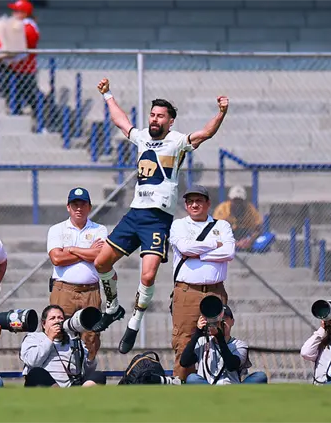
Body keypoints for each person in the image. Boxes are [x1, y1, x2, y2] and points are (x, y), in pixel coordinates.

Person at [92, 77, 230, 355]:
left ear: (170, 121)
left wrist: (221, 113)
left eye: (160, 116)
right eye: (152, 115)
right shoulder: (142, 136)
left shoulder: (177, 142)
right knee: (101, 262)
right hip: (134, 215)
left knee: (149, 273)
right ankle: (113, 307)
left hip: (157, 220)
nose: (154, 119)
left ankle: (135, 321)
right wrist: (107, 95)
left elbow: (205, 133)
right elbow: (121, 122)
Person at [169, 185, 235, 381]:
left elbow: (229, 252)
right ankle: (181, 386)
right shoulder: (179, 225)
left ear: (208, 203)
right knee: (184, 342)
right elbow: (185, 247)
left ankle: (221, 383)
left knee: (219, 337)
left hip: (216, 291)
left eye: (199, 201)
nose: (194, 205)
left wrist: (199, 254)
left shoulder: (222, 226)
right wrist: (215, 245)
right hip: (187, 292)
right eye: (190, 202)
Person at [47, 187, 107, 361]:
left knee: (91, 337)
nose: (79, 208)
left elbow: (100, 255)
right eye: (75, 205)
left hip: (90, 292)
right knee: (60, 332)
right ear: (68, 207)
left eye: (83, 204)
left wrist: (72, 249)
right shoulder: (57, 229)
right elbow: (56, 258)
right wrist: (87, 252)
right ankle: (62, 375)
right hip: (63, 290)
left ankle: (86, 376)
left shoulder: (99, 229)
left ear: (89, 207)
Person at [180, 303, 267, 385]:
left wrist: (220, 337)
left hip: (233, 387)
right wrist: (198, 332)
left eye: (224, 318)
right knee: (192, 378)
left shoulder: (239, 345)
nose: (221, 322)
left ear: (232, 321)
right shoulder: (203, 341)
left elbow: (231, 365)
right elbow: (184, 362)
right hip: (208, 387)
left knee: (260, 376)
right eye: (217, 319)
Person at [20, 305, 106, 387]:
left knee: (99, 376)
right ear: (43, 323)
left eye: (60, 318)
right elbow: (33, 362)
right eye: (52, 318)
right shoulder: (34, 338)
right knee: (36, 373)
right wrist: (50, 338)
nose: (57, 321)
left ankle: (78, 395)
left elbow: (87, 372)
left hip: (71, 386)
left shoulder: (73, 341)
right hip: (47, 386)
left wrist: (91, 355)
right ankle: (59, 395)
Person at [1, 0, 40, 116]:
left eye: (17, 11)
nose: (13, 13)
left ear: (24, 13)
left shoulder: (29, 26)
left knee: (29, 94)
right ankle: (16, 110)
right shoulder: (19, 25)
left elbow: (26, 43)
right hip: (14, 66)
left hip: (25, 67)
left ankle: (43, 117)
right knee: (13, 90)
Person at [212, 185, 262, 251]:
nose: (237, 203)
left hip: (245, 236)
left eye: (240, 200)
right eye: (235, 200)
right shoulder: (222, 209)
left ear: (244, 201)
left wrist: (249, 240)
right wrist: (235, 243)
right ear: (230, 200)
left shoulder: (250, 209)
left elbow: (258, 229)